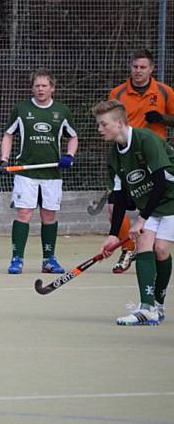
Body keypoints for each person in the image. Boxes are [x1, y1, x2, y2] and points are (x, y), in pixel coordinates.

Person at [94, 99, 173, 326]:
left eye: (103, 124)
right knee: (145, 244)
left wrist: (142, 218)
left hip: (171, 197)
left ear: (119, 123)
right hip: (152, 201)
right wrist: (113, 234)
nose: (99, 129)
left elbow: (160, 182)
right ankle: (147, 308)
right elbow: (118, 198)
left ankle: (157, 302)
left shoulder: (146, 140)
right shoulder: (114, 155)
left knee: (160, 249)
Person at [0, 68, 78, 275]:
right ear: (32, 88)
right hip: (26, 172)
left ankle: (49, 260)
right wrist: (4, 160)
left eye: (44, 85)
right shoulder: (22, 109)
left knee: (49, 216)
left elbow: (73, 136)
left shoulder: (62, 111)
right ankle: (17, 259)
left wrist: (69, 156)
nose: (40, 89)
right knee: (24, 213)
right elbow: (8, 135)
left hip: (52, 173)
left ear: (52, 88)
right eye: (37, 85)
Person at [107, 49, 174, 274]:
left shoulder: (165, 92)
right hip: (129, 161)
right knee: (113, 206)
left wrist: (163, 119)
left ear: (151, 69)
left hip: (155, 162)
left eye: (142, 67)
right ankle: (127, 248)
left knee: (157, 214)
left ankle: (153, 249)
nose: (138, 71)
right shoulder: (118, 92)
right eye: (135, 66)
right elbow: (111, 122)